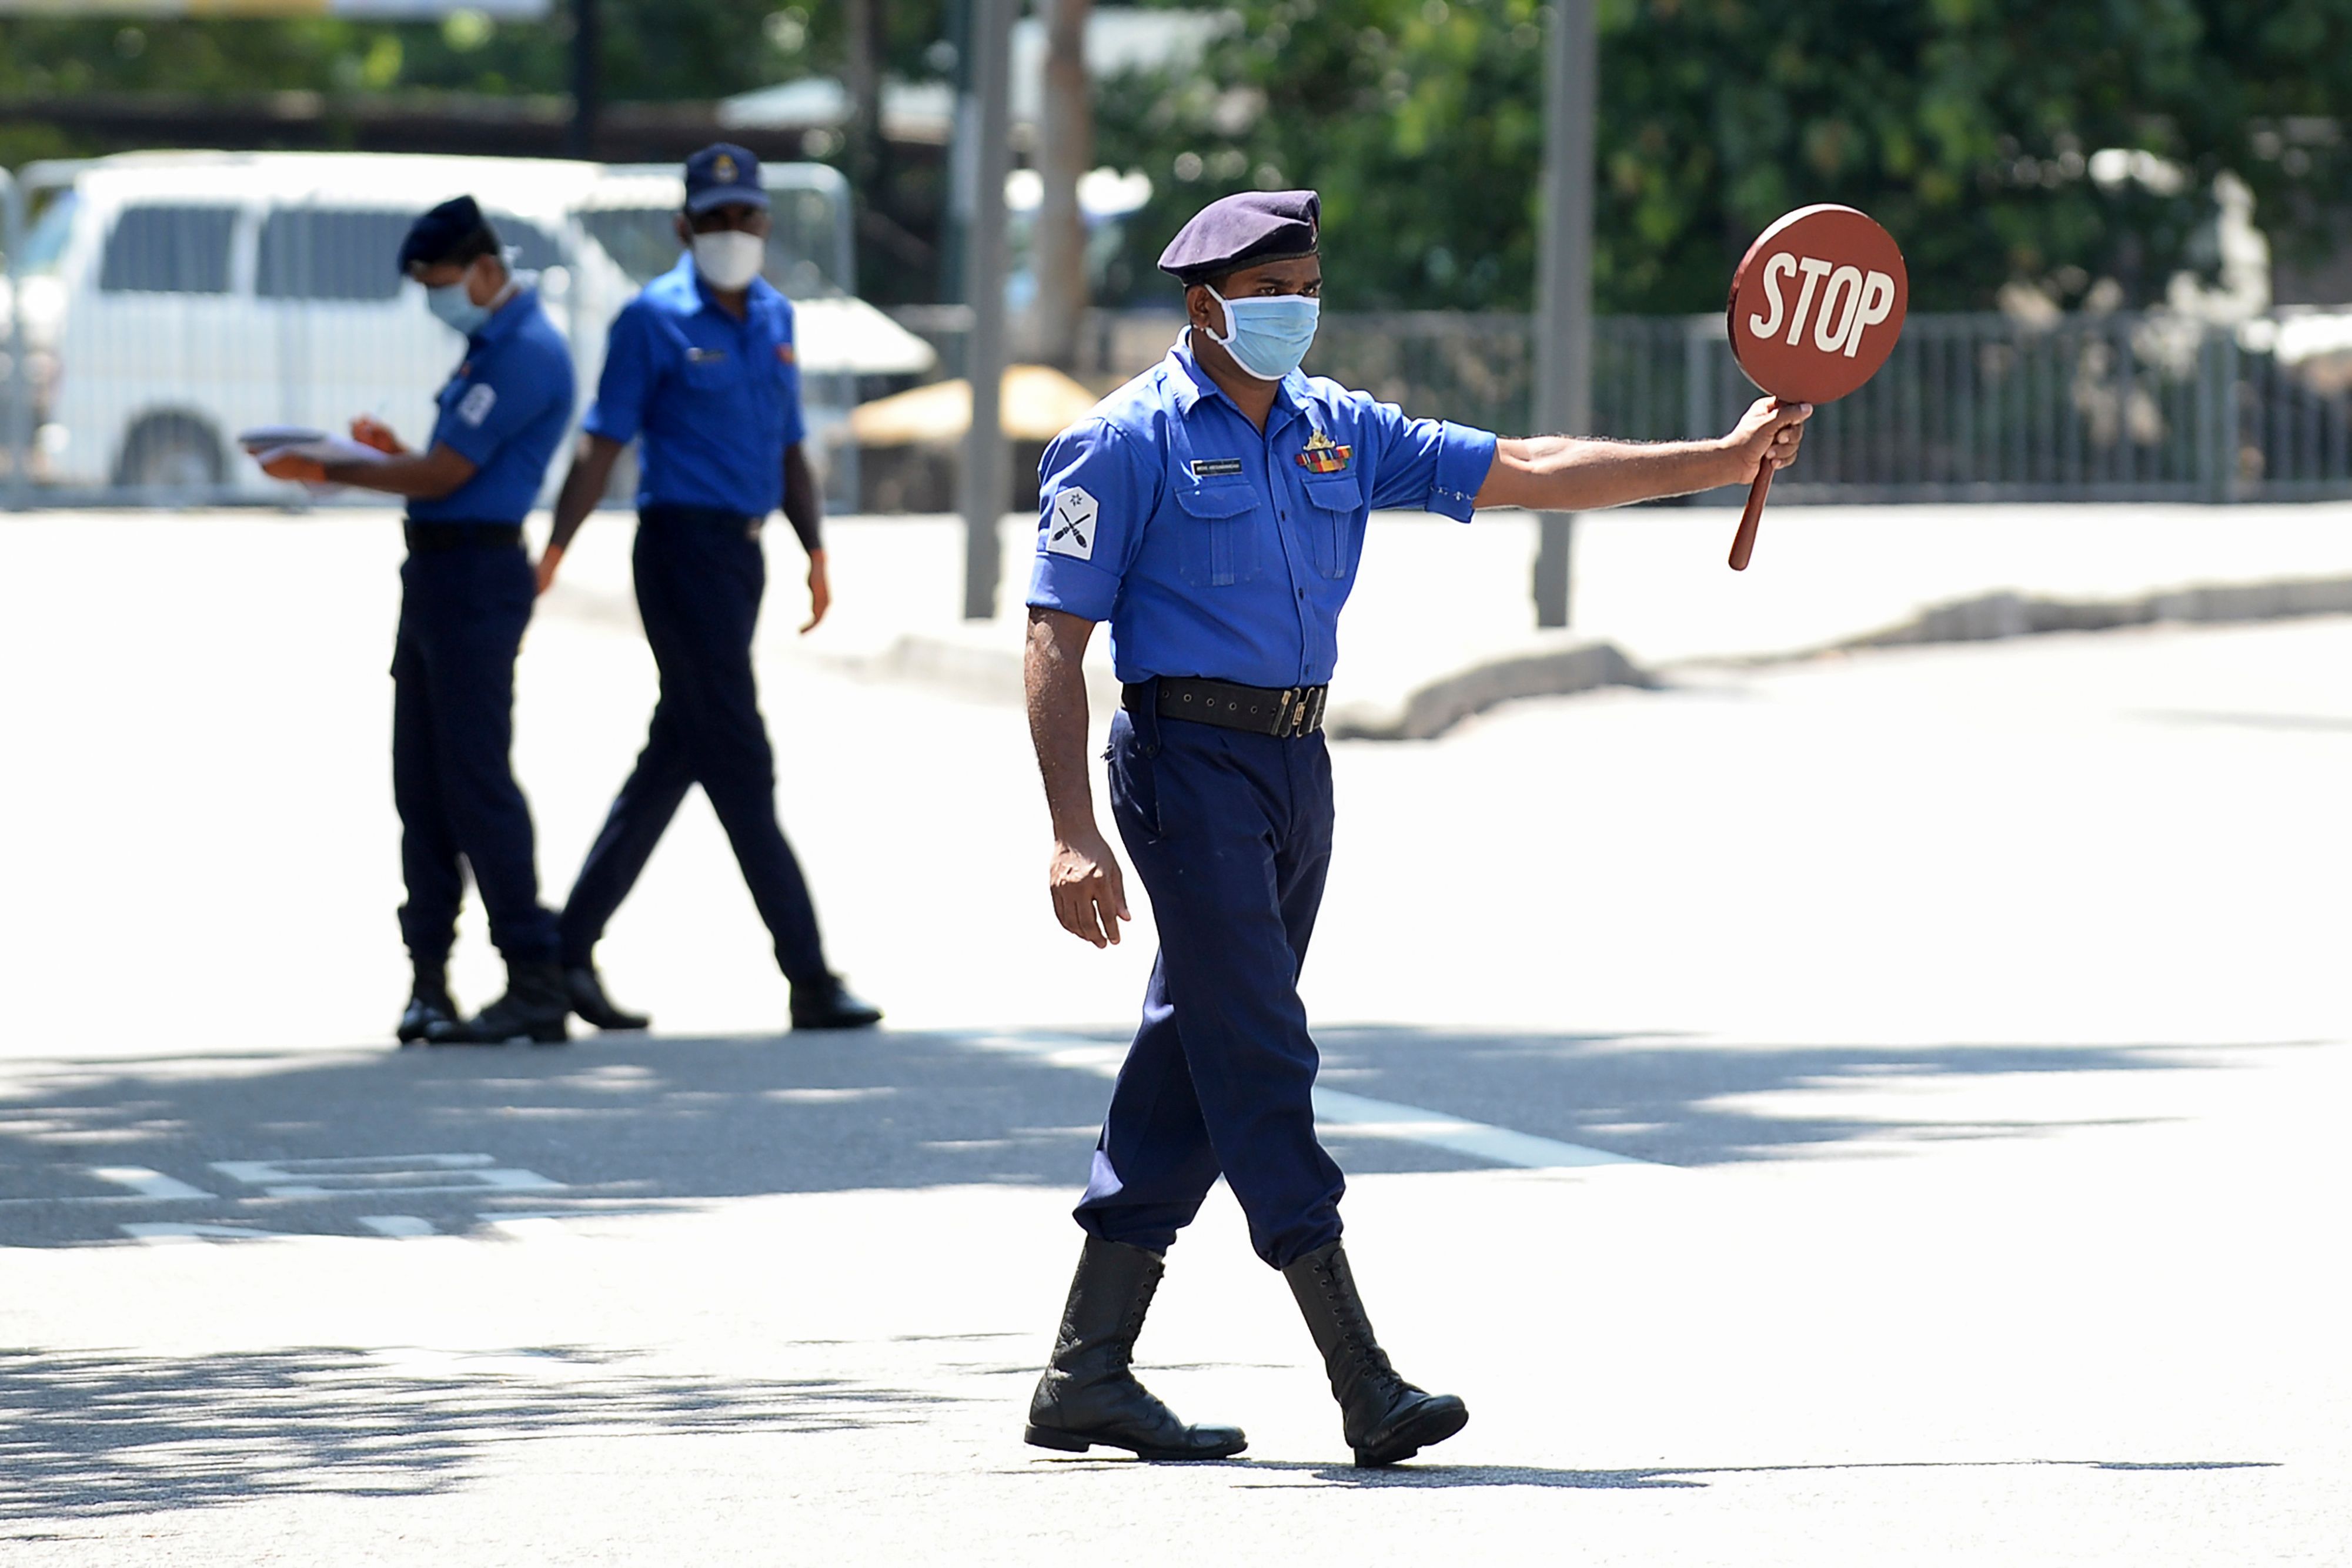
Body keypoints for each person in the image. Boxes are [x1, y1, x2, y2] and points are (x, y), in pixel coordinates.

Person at [1019, 190, 1810, 1465]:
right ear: (1204, 305)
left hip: (1295, 763)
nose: (1295, 311)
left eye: (1307, 288)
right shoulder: (1119, 443)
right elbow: (1054, 639)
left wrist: (1714, 462)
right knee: (1260, 1050)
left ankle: (1085, 1370)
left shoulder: (1337, 429)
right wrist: (1070, 831)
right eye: (1269, 293)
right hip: (1184, 762)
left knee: (1195, 1042)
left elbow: (1530, 467)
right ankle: (1361, 1375)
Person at [534, 143, 880, 1034]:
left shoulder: (774, 315)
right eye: (715, 218)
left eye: (745, 217)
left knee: (676, 756)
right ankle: (809, 974)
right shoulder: (651, 318)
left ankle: (560, 954)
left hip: (741, 559)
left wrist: (815, 550)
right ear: (684, 226)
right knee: (739, 758)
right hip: (679, 552)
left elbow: (788, 444)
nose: (732, 231)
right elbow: (602, 442)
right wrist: (556, 548)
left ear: (765, 221)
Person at [260, 196, 579, 1047]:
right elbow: (445, 469)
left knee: (475, 780)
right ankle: (429, 978)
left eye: (441, 284)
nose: (437, 301)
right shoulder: (490, 347)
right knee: (423, 783)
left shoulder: (526, 352)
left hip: (476, 576)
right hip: (439, 573)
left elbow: (444, 477)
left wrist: (330, 469)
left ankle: (533, 973)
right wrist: (385, 456)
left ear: (485, 269)